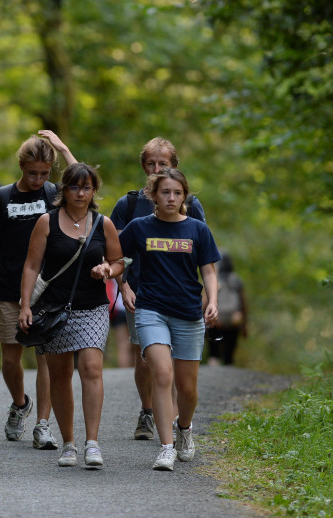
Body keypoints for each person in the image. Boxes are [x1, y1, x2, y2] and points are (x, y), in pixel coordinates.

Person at [0, 130, 76, 448]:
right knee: (10, 357)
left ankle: (43, 425)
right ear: (21, 166)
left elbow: (83, 183)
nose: (38, 179)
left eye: (44, 173)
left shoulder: (55, 193)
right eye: (33, 173)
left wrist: (64, 149)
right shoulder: (1, 197)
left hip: (47, 290)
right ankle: (20, 404)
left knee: (45, 357)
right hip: (8, 288)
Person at [18, 163, 124, 468]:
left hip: (92, 308)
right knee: (61, 375)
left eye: (87, 187)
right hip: (53, 310)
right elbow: (31, 266)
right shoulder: (46, 222)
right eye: (75, 187)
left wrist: (108, 269)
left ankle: (92, 443)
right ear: (63, 190)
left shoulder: (103, 224)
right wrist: (25, 305)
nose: (81, 193)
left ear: (94, 191)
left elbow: (119, 261)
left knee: (91, 368)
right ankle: (69, 443)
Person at [118, 168, 220, 471]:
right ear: (154, 195)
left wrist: (212, 301)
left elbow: (209, 271)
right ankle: (166, 447)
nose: (171, 198)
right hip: (151, 310)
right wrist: (123, 285)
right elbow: (116, 258)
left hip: (188, 313)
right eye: (165, 192)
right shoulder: (138, 227)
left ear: (184, 196)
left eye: (177, 193)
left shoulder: (197, 230)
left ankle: (184, 429)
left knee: (187, 389)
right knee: (162, 374)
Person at [109, 137, 206, 441]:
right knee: (145, 357)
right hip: (140, 293)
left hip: (181, 294)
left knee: (176, 362)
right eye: (150, 163)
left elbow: (201, 249)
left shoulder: (190, 204)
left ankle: (177, 419)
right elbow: (114, 252)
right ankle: (148, 410)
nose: (155, 168)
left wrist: (205, 294)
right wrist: (122, 288)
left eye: (162, 164)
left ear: (173, 166)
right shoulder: (129, 204)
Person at [207, 250, 248, 366]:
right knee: (229, 352)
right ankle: (228, 369)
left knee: (213, 352)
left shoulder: (213, 278)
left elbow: (205, 301)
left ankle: (214, 371)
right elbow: (243, 304)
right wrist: (244, 325)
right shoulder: (236, 280)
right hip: (233, 319)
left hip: (216, 318)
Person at [105, 278, 133, 368]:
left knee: (123, 346)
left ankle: (124, 374)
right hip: (134, 306)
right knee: (137, 347)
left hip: (119, 307)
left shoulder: (115, 265)